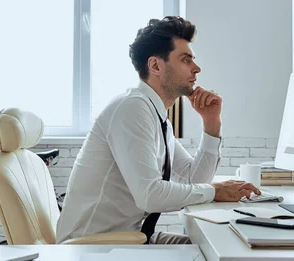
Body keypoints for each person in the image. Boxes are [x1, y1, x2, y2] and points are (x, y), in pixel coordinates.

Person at [56, 16, 260, 245]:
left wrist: (212, 124)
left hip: (130, 238)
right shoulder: (132, 108)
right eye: (186, 60)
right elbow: (150, 196)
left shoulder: (157, 117)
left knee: (219, 247)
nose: (197, 68)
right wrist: (215, 191)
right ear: (155, 66)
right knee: (218, 251)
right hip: (95, 247)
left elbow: (194, 179)